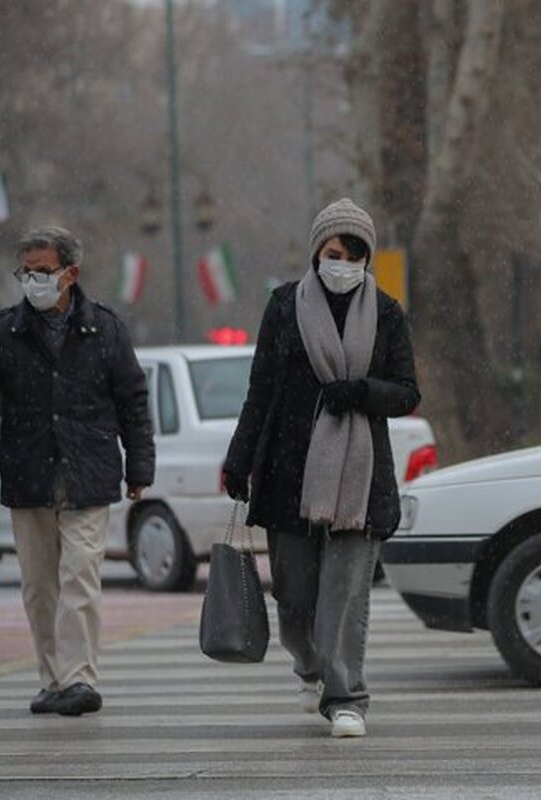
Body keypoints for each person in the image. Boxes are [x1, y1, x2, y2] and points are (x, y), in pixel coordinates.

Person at [222, 198, 419, 739]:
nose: (343, 263)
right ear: (316, 252)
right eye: (335, 252)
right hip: (288, 473)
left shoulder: (387, 313)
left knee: (345, 595)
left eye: (355, 254)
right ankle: (309, 665)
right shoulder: (284, 307)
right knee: (294, 598)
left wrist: (360, 392)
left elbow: (407, 393)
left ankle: (346, 696)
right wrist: (240, 459)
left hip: (360, 477)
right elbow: (259, 390)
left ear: (367, 259)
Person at [0, 226, 154, 716]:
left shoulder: (104, 329)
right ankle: (54, 680)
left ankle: (79, 679)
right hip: (29, 475)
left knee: (80, 575)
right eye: (26, 272)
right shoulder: (5, 332)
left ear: (70, 273)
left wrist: (140, 466)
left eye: (43, 271)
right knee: (41, 587)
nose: (33, 280)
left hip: (89, 473)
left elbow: (133, 401)